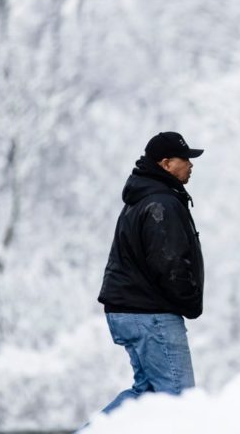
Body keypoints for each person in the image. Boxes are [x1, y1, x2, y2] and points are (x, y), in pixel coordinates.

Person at [96, 131, 205, 415]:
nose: (191, 165)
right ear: (166, 163)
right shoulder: (161, 203)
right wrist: (189, 302)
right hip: (150, 313)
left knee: (146, 398)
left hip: (132, 310)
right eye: (186, 160)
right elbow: (169, 263)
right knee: (180, 403)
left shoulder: (142, 197)